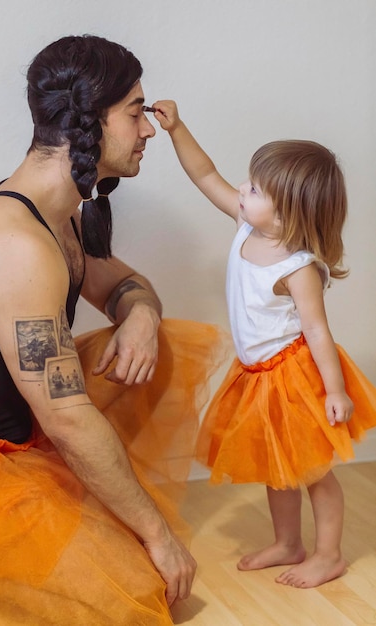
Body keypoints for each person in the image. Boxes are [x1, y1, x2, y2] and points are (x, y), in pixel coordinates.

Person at [0, 39, 226, 625]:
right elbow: (67, 416)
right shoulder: (16, 242)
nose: (148, 129)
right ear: (90, 119)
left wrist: (143, 317)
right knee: (132, 601)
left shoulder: (57, 213)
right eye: (135, 111)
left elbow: (126, 285)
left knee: (164, 344)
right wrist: (157, 535)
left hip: (37, 422)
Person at [152, 100, 376, 588]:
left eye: (253, 189)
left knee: (313, 472)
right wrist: (177, 130)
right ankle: (288, 542)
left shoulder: (296, 268)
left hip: (293, 375)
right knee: (277, 466)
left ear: (289, 212)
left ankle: (329, 554)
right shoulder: (247, 224)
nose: (241, 190)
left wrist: (334, 391)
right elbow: (206, 173)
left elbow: (318, 331)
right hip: (257, 373)